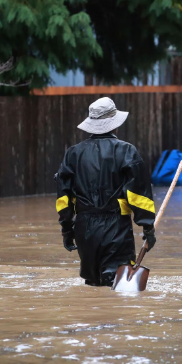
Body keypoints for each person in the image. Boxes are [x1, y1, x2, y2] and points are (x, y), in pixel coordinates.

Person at [54, 97, 156, 287]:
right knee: (117, 284)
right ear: (115, 124)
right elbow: (139, 195)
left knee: (92, 283)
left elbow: (63, 198)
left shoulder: (73, 154)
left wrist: (67, 230)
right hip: (116, 227)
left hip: (84, 228)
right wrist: (148, 227)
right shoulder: (127, 151)